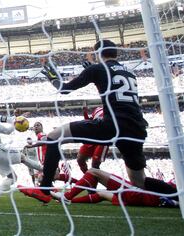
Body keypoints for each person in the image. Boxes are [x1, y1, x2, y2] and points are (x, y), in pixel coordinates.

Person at [19, 39, 178, 203]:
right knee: (139, 181)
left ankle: (45, 190)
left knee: (54, 136)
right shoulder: (129, 73)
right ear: (115, 53)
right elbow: (115, 92)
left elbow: (65, 89)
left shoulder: (97, 68)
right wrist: (95, 76)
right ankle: (177, 194)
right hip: (135, 129)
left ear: (97, 54)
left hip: (112, 125)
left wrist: (53, 78)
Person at [0, 96, 42, 201]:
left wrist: (17, 117)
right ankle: (46, 170)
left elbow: (7, 119)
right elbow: (8, 131)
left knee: (12, 177)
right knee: (23, 157)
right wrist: (18, 121)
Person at [50, 168, 178, 208]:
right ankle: (70, 201)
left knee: (93, 172)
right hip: (143, 198)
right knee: (101, 194)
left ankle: (66, 196)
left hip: (141, 194)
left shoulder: (177, 188)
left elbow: (148, 183)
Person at [77, 106, 109, 174]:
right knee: (80, 160)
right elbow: (89, 122)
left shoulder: (112, 111)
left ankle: (93, 182)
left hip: (103, 141)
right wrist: (85, 113)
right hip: (91, 138)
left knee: (94, 165)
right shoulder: (97, 109)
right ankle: (87, 177)